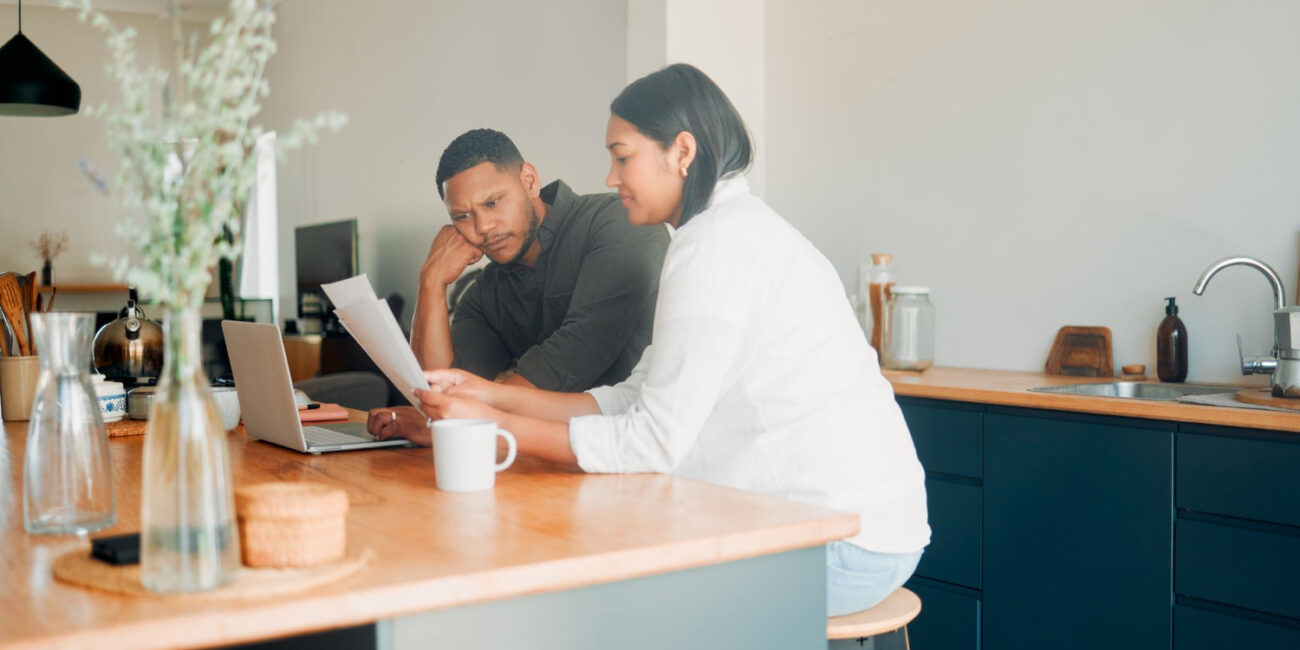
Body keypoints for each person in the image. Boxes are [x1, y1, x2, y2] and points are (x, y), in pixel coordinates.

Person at [404, 65, 929, 616]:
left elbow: (652, 444)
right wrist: (489, 396)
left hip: (840, 546)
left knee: (594, 585)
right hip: (859, 532)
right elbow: (635, 396)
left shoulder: (716, 247)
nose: (611, 177)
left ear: (681, 152)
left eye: (622, 157)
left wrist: (497, 429)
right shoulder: (717, 234)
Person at [368, 129, 669, 441]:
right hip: (537, 455)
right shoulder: (483, 295)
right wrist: (431, 281)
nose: (483, 227)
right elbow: (437, 393)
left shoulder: (621, 223)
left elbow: (575, 353)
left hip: (645, 450)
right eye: (463, 216)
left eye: (492, 202)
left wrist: (455, 418)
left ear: (529, 181)